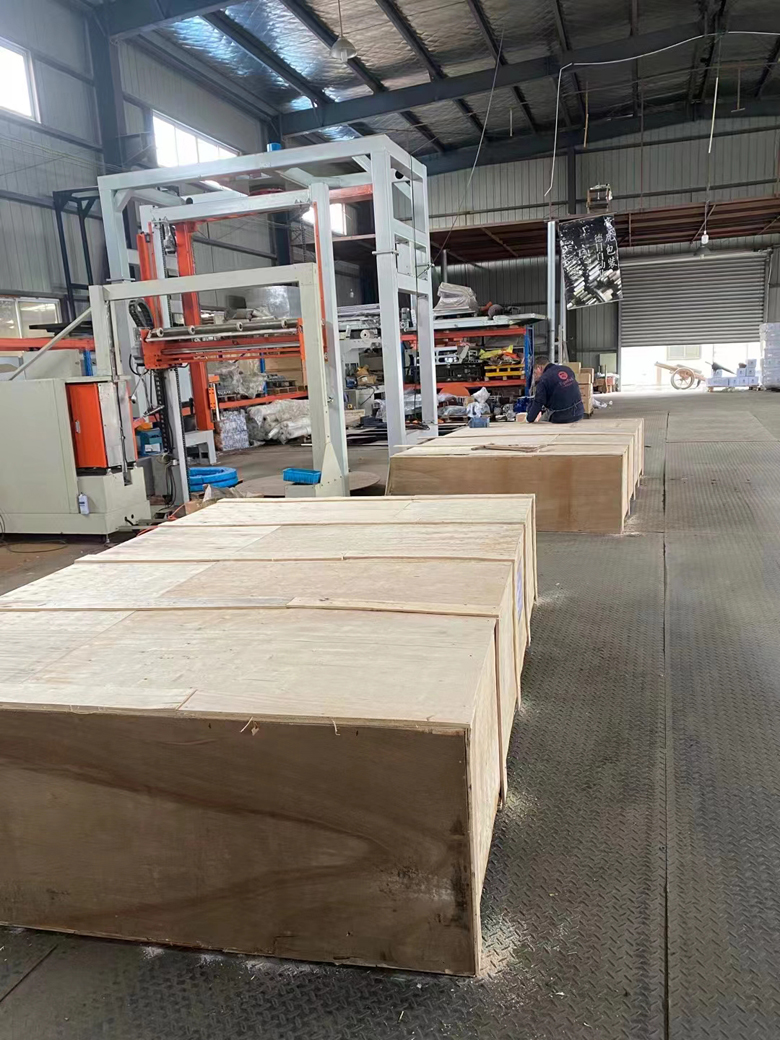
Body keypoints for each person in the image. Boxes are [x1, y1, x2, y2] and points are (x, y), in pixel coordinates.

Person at [525, 355, 584, 424]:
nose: (535, 376)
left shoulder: (544, 379)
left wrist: (529, 419)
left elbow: (538, 402)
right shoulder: (567, 369)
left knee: (541, 420)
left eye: (535, 373)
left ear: (539, 368)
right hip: (579, 412)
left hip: (562, 417)